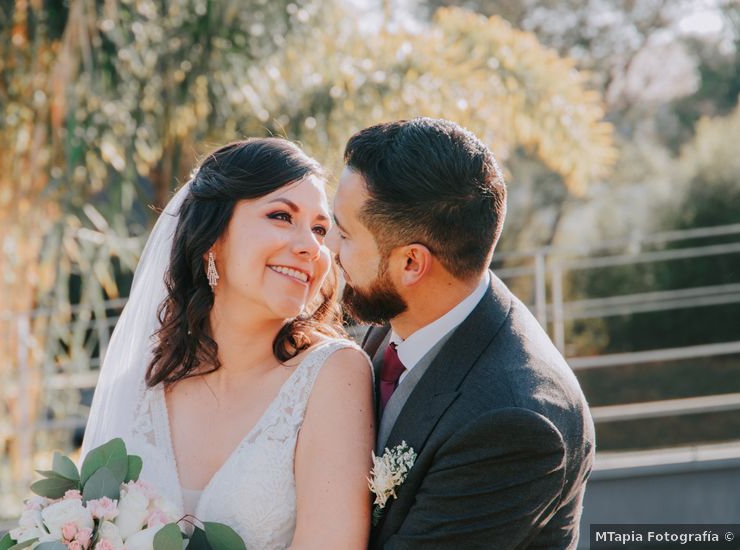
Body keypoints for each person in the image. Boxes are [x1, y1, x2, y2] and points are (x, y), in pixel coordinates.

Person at [81, 138, 374, 549]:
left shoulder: (333, 375)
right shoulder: (143, 383)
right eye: (281, 216)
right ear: (212, 238)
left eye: (321, 229)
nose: (312, 245)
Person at [327, 118, 596, 549]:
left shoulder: (514, 424)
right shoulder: (407, 314)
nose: (329, 250)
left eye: (343, 234)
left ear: (411, 263)